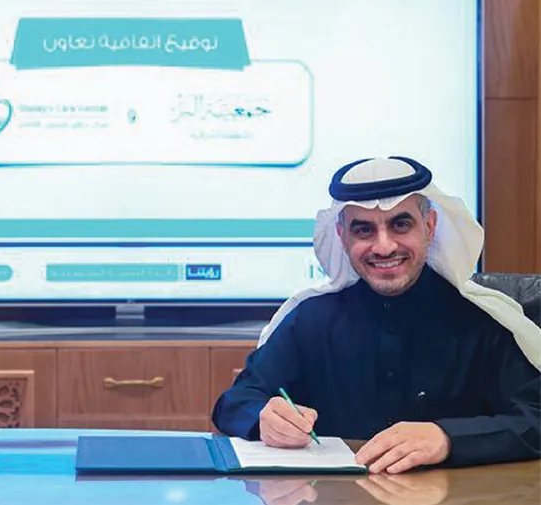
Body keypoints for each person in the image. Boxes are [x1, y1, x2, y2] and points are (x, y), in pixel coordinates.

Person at [212, 156, 540, 473]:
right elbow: (236, 401)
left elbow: (535, 418)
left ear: (430, 226)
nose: (384, 247)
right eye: (364, 230)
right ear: (342, 236)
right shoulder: (310, 319)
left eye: (401, 224)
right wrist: (264, 417)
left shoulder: (481, 320)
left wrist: (447, 438)